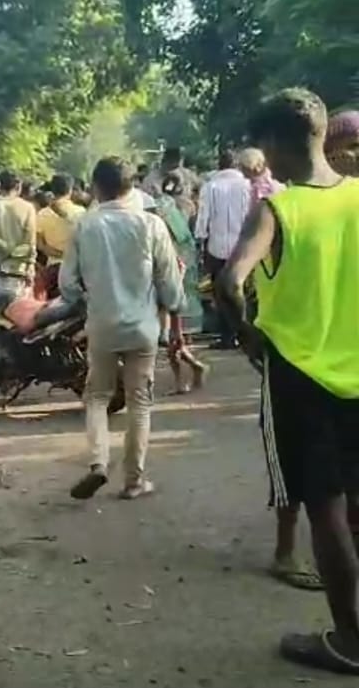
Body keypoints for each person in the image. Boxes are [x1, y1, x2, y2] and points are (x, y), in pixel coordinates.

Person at [216, 88, 359, 674]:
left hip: (299, 376)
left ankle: (349, 641)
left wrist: (247, 336)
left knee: (322, 506)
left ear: (273, 146)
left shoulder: (277, 209)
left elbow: (230, 281)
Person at [62, 156, 183, 501]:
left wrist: (90, 297)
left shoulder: (85, 226)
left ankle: (99, 463)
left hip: (101, 325)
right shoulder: (150, 225)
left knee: (97, 397)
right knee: (139, 402)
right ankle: (134, 481)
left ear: (96, 188)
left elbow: (68, 285)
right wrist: (171, 310)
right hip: (143, 327)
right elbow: (171, 287)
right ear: (133, 187)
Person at [154, 172, 209, 393]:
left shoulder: (163, 218)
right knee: (174, 338)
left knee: (171, 337)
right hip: (178, 285)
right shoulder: (181, 212)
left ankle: (184, 377)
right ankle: (192, 370)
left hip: (171, 287)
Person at [195, 149, 253, 349]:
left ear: (219, 165)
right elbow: (251, 212)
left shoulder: (210, 187)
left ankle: (227, 335)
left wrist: (200, 240)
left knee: (221, 293)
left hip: (216, 247)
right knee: (244, 289)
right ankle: (245, 332)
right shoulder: (247, 185)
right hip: (244, 245)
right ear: (236, 165)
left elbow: (203, 217)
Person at [0, 171, 37, 295]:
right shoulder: (28, 208)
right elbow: (30, 242)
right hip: (20, 270)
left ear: (0, 186)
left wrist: (7, 248)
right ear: (18, 187)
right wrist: (30, 265)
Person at [34, 174, 85, 301]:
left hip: (52, 269)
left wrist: (55, 253)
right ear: (71, 189)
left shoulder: (42, 214)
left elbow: (39, 245)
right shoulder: (81, 213)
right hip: (76, 270)